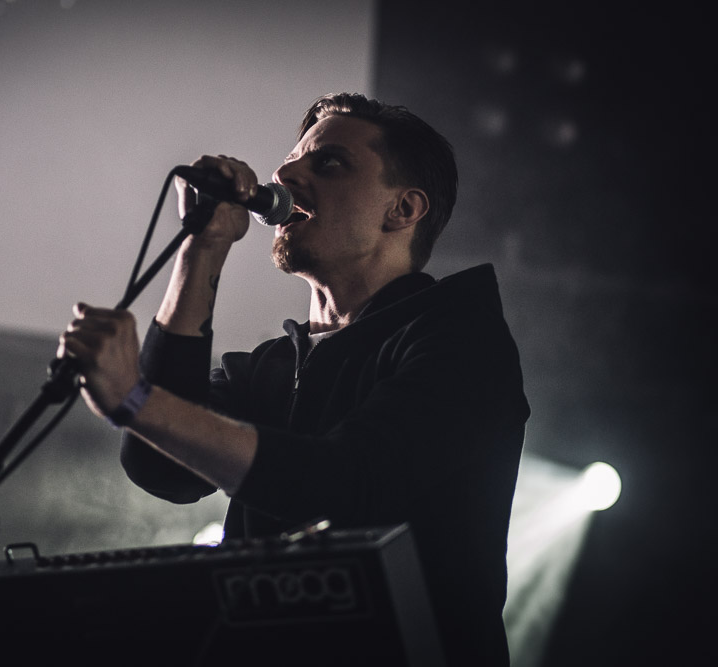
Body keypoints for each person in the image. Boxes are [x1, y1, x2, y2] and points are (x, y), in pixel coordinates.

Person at [56, 93, 530, 666]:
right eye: (290, 161)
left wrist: (136, 400)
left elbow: (345, 483)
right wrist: (203, 246)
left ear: (403, 209)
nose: (284, 175)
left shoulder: (461, 340)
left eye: (328, 164)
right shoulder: (266, 367)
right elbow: (163, 470)